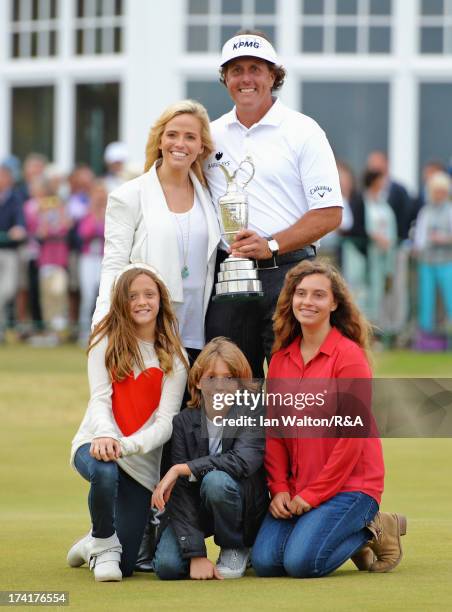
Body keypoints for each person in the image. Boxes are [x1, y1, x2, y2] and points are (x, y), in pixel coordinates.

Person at [251, 259, 406, 578]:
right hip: (297, 486)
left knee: (301, 563)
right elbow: (276, 432)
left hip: (351, 485)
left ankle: (374, 526)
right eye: (301, 293)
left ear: (335, 302)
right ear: (291, 299)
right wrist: (279, 487)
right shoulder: (281, 360)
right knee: (267, 563)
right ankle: (339, 533)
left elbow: (352, 438)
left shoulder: (349, 358)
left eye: (319, 295)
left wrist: (314, 495)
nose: (308, 302)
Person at [204, 30, 343, 378]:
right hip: (228, 275)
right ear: (225, 79)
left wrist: (271, 245)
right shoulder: (209, 135)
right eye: (236, 70)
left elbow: (329, 213)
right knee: (232, 391)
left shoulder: (303, 131)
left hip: (289, 274)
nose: (246, 78)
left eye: (255, 68)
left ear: (272, 75)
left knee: (296, 388)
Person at [67, 264, 188, 581]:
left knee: (125, 567)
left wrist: (125, 446)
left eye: (149, 294)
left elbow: (164, 424)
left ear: (161, 299)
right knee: (104, 471)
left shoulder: (175, 358)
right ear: (121, 301)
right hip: (93, 443)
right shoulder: (103, 343)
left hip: (138, 463)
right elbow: (100, 399)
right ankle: (105, 542)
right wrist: (106, 436)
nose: (142, 302)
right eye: (133, 296)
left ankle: (93, 539)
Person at [93, 100, 220, 364]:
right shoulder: (128, 195)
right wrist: (102, 319)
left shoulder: (210, 196)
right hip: (149, 333)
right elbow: (114, 263)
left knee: (194, 407)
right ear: (160, 140)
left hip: (200, 334)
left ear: (201, 146)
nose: (180, 144)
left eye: (190, 137)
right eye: (172, 135)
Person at [152, 337, 268, 580]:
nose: (220, 386)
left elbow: (242, 461)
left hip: (242, 507)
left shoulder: (254, 411)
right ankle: (191, 548)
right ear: (197, 380)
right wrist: (196, 555)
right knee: (168, 567)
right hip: (198, 508)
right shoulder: (184, 421)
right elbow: (180, 491)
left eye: (229, 378)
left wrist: (183, 468)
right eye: (211, 377)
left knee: (216, 481)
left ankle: (235, 546)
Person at [413, 172, 452, 345]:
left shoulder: (450, 211)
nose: (439, 195)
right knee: (426, 299)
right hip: (427, 262)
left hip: (446, 261)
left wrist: (442, 239)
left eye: (442, 191)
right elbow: (419, 238)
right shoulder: (425, 211)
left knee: (450, 298)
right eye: (436, 191)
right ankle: (426, 338)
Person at [0, 164, 26, 341]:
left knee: (7, 290)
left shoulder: (15, 198)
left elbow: (19, 228)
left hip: (9, 252)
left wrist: (16, 231)